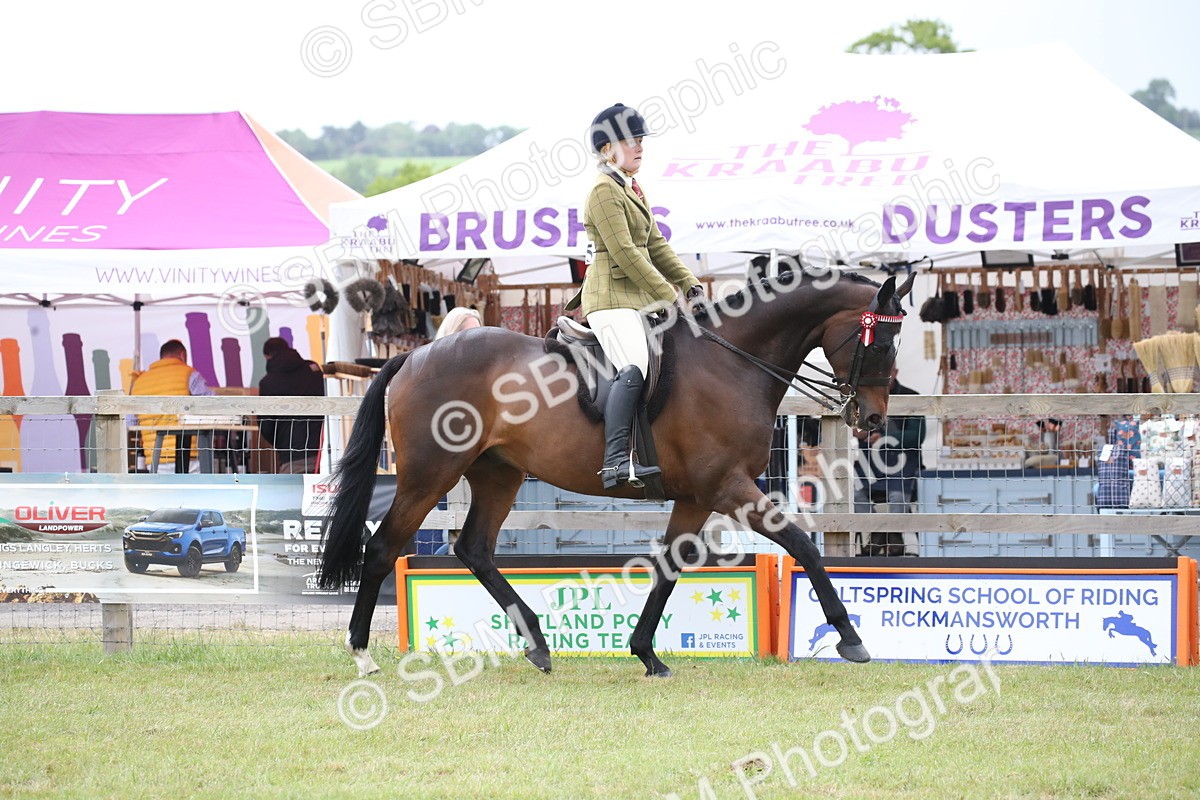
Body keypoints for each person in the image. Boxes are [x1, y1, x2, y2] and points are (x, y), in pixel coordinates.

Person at [568, 102, 705, 489]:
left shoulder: (630, 188)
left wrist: (688, 281)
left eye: (641, 140)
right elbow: (626, 253)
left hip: (635, 300)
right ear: (609, 148)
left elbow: (655, 244)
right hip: (610, 301)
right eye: (633, 141)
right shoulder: (602, 192)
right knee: (635, 366)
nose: (641, 147)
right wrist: (667, 293)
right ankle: (614, 462)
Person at [854, 368, 926, 556]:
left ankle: (891, 535)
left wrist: (884, 437)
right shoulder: (867, 399)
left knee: (897, 495)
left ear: (895, 372)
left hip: (904, 463)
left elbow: (917, 436)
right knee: (852, 492)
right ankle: (881, 532)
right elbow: (858, 427)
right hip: (873, 464)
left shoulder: (912, 397)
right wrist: (859, 431)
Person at [129, 339, 214, 472]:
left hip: (155, 459)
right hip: (189, 457)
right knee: (196, 492)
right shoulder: (189, 374)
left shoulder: (139, 382)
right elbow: (212, 405)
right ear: (182, 355)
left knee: (164, 492)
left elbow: (130, 422)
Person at [257, 337, 326, 473]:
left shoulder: (268, 383)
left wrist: (281, 444)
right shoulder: (314, 370)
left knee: (293, 491)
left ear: (268, 356)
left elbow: (266, 425)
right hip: (324, 450)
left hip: (292, 455)